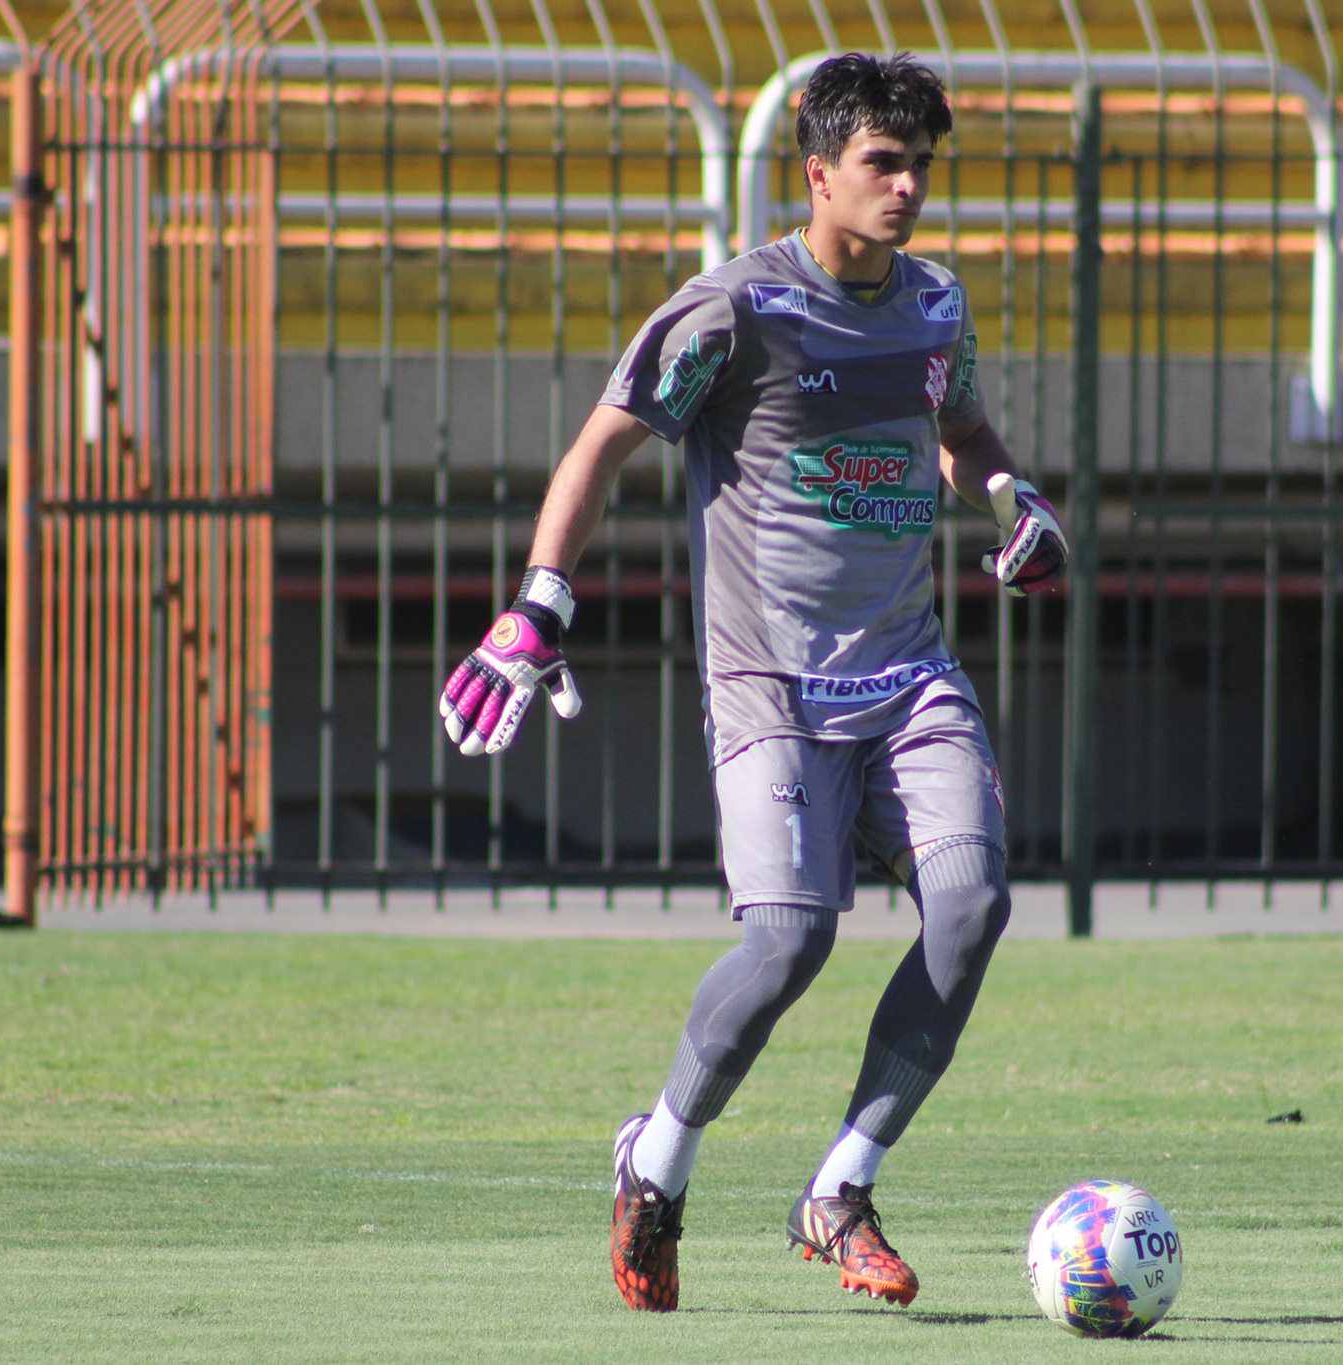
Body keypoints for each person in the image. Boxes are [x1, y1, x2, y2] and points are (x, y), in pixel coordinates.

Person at [437, 51, 1066, 1313]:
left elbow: (960, 434)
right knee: (787, 941)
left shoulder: (936, 306)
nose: (906, 189)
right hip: (769, 685)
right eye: (882, 164)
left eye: (920, 166)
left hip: (909, 676)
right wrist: (535, 608)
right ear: (816, 172)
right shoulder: (733, 314)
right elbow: (600, 446)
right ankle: (655, 1162)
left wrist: (1013, 500)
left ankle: (838, 1190)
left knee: (973, 905)